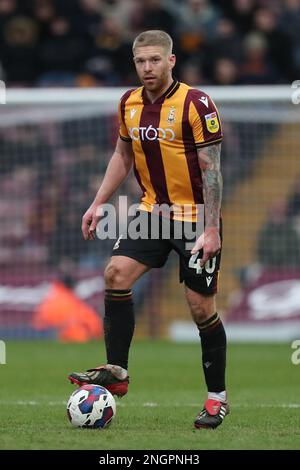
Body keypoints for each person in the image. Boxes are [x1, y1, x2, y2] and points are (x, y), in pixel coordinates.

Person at [68, 30, 228, 430]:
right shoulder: (128, 103)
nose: (147, 68)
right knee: (115, 274)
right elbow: (123, 154)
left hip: (195, 216)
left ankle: (216, 399)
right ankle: (117, 372)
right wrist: (98, 201)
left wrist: (211, 230)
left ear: (171, 61)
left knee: (200, 308)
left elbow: (212, 170)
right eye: (141, 61)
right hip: (151, 211)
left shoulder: (196, 103)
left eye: (155, 60)